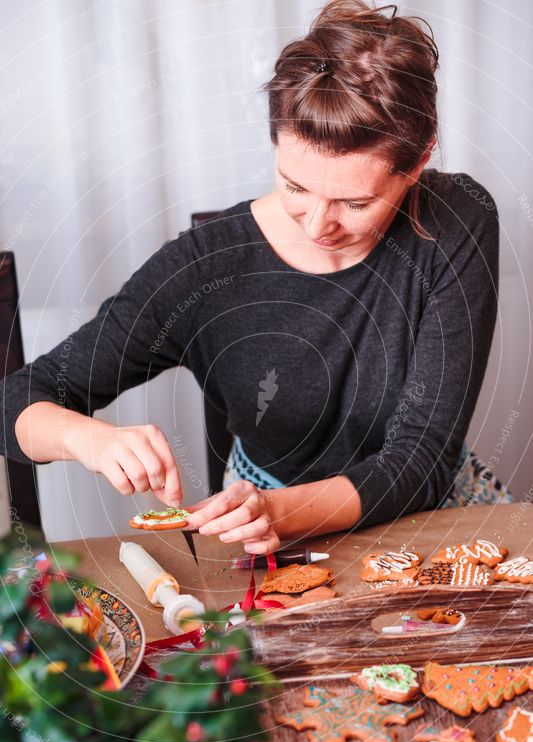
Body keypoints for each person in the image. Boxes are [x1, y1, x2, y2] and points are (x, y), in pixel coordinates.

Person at [0, 1, 502, 555]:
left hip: (428, 515)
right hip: (261, 530)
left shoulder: (459, 218)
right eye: (295, 186)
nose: (318, 224)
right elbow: (17, 400)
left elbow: (422, 456)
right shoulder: (203, 270)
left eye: (355, 202)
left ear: (418, 163)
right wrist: (86, 437)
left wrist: (282, 512)